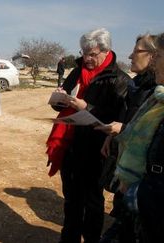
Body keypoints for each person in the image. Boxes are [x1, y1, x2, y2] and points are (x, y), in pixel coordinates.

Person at [46, 28, 130, 243]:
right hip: (69, 143)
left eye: (92, 54)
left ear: (106, 51)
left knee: (92, 201)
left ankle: (92, 239)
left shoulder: (118, 79)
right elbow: (61, 104)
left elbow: (118, 117)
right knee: (71, 199)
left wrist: (87, 107)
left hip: (96, 148)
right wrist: (59, 99)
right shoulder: (76, 71)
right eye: (84, 53)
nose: (87, 58)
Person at [97, 33, 157, 243]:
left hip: (143, 180)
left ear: (153, 55)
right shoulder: (137, 85)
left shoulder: (156, 92)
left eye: (137, 51)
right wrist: (113, 137)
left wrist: (123, 128)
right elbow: (127, 115)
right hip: (125, 169)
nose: (130, 55)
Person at [114, 32, 164, 243]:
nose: (130, 56)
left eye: (159, 56)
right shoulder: (156, 97)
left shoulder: (155, 95)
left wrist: (138, 190)